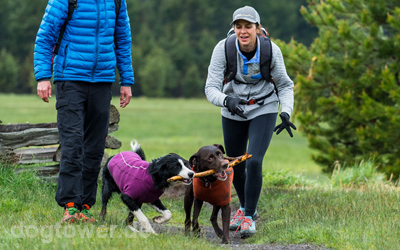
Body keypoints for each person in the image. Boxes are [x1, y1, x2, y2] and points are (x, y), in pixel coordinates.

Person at [34, 0, 134, 223]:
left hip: (103, 80)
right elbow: (46, 36)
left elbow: (123, 40)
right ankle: (70, 206)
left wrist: (126, 79)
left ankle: (85, 207)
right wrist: (42, 76)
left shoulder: (117, 1)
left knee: (95, 147)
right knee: (72, 142)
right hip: (69, 79)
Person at [205, 6, 296, 237]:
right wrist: (227, 101)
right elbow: (210, 88)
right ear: (233, 28)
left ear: (258, 28)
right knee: (236, 164)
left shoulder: (270, 50)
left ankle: (248, 217)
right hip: (233, 109)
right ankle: (247, 209)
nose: (243, 32)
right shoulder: (223, 49)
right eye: (239, 26)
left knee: (254, 160)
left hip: (264, 106)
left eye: (248, 26)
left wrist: (285, 111)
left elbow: (285, 85)